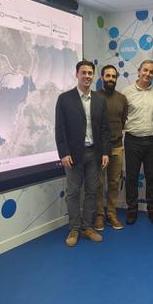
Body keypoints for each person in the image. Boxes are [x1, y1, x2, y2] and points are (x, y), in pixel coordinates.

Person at [55, 60, 111, 247]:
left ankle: (87, 227)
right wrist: (63, 153)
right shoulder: (65, 99)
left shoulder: (99, 100)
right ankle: (74, 229)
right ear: (76, 74)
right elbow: (60, 129)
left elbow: (104, 128)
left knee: (91, 191)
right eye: (84, 72)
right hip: (74, 156)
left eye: (90, 73)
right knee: (73, 192)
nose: (87, 76)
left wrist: (105, 152)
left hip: (94, 154)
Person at [121, 60, 153, 225]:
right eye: (145, 70)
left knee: (152, 177)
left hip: (152, 141)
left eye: (151, 72)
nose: (148, 74)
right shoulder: (126, 92)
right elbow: (121, 116)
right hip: (132, 140)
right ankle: (132, 210)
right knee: (131, 177)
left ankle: (152, 210)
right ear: (138, 71)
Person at [94, 64, 127, 232]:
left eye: (113, 76)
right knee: (99, 183)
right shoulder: (94, 97)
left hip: (117, 147)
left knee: (114, 183)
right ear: (101, 78)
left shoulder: (122, 99)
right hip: (98, 150)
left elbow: (122, 121)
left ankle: (112, 213)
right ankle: (99, 215)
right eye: (107, 76)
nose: (110, 79)